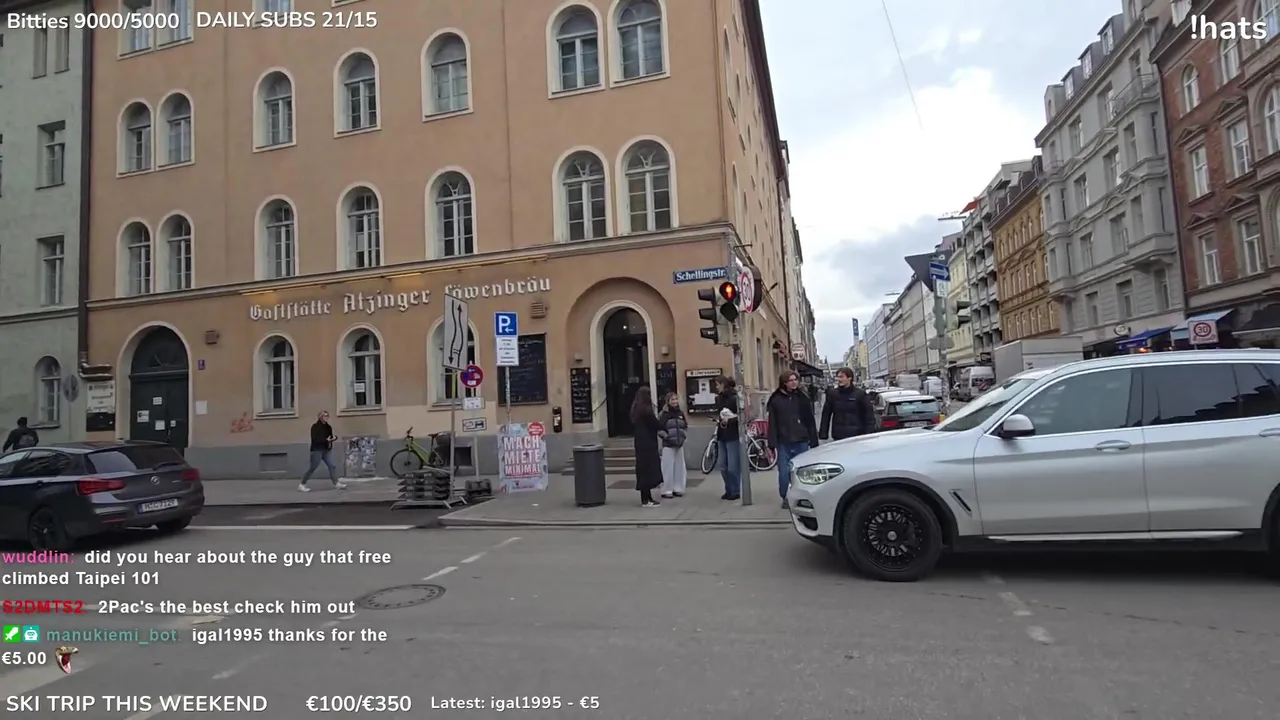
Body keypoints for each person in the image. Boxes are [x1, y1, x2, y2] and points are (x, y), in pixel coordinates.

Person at [766, 371, 819, 508]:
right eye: (791, 380)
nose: (794, 382)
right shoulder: (776, 400)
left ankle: (802, 497)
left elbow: (810, 420)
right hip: (784, 441)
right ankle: (785, 496)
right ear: (784, 383)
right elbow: (773, 422)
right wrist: (771, 442)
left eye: (795, 380)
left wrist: (813, 439)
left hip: (801, 439)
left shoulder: (802, 397)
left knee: (802, 471)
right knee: (784, 472)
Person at [629, 386, 664, 507]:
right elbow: (656, 424)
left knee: (643, 470)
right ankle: (646, 500)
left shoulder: (635, 409)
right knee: (649, 470)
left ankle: (646, 497)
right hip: (648, 443)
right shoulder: (646, 410)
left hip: (639, 442)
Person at [820, 367, 876, 441]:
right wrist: (823, 434)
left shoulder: (860, 394)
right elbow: (826, 415)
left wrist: (869, 434)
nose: (839, 379)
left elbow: (869, 415)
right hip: (839, 435)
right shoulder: (833, 394)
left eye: (841, 377)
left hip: (857, 435)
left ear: (849, 378)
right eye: (838, 377)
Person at [299, 411, 347, 492]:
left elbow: (330, 437)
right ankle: (302, 484)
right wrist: (325, 440)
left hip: (326, 449)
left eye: (327, 416)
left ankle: (336, 483)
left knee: (332, 466)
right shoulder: (315, 427)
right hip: (317, 450)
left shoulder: (328, 427)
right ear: (320, 417)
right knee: (313, 468)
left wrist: (333, 438)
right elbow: (315, 439)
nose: (326, 417)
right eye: (324, 416)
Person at [656, 392, 689, 499]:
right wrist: (666, 437)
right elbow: (659, 428)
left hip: (679, 444)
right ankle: (667, 489)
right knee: (667, 468)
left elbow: (685, 426)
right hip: (668, 444)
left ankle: (678, 488)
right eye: (672, 399)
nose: (675, 401)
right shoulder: (664, 414)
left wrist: (683, 436)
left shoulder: (680, 413)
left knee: (680, 468)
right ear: (668, 401)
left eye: (676, 399)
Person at [714, 376, 741, 500]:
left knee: (732, 466)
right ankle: (728, 489)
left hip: (733, 434)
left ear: (723, 384)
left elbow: (742, 417)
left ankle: (735, 490)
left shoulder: (735, 398)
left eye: (717, 384)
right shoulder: (719, 398)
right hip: (722, 434)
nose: (716, 387)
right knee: (722, 465)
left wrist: (730, 420)